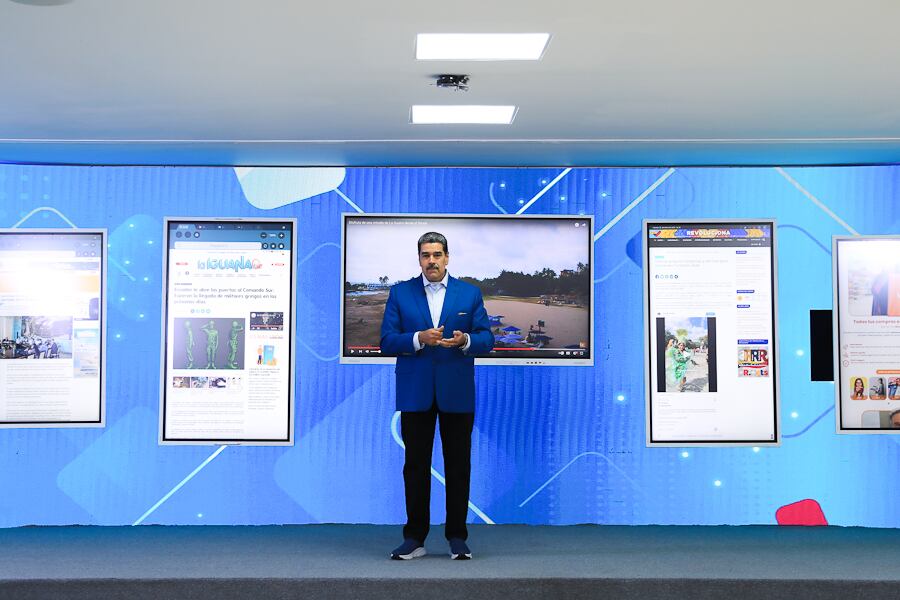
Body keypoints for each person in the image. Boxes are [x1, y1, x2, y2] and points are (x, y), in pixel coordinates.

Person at [380, 232, 492, 561]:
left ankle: (457, 537)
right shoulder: (400, 293)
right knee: (415, 467)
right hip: (415, 392)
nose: (432, 260)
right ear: (419, 259)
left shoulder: (469, 294)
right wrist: (419, 338)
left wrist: (465, 341)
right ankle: (414, 538)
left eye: (437, 254)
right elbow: (387, 341)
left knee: (458, 466)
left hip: (457, 391)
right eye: (426, 255)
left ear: (447, 257)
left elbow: (487, 339)